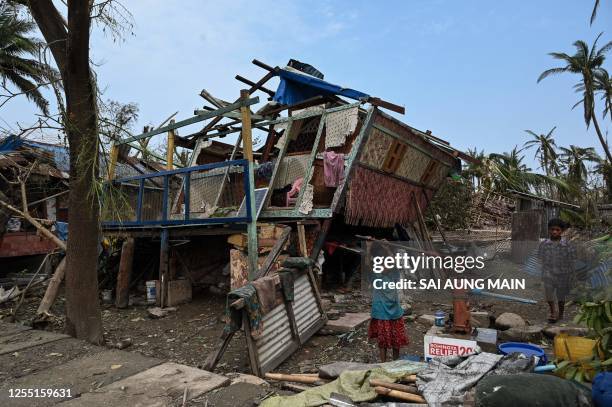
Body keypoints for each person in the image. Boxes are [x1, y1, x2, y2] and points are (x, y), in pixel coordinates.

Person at [368, 244, 408, 362]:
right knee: (383, 341)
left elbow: (393, 264)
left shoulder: (391, 274)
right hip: (383, 312)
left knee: (396, 340)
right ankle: (384, 363)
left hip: (392, 311)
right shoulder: (377, 274)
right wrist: (375, 248)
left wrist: (386, 249)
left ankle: (393, 362)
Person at [538, 218, 576, 322]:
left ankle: (561, 313)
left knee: (561, 296)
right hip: (548, 274)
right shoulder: (544, 244)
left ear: (562, 231)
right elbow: (540, 258)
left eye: (557, 230)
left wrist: (572, 275)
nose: (554, 231)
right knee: (549, 293)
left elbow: (572, 260)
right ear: (549, 230)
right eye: (552, 229)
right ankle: (553, 312)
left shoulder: (568, 245)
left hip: (563, 275)